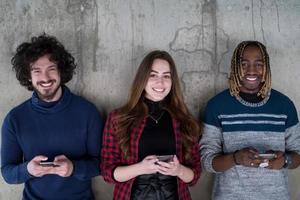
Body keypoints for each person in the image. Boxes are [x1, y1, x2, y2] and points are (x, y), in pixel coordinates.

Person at [1, 34, 103, 200]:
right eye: (37, 71)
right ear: (28, 75)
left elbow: (101, 164)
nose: (45, 78)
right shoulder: (14, 119)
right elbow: (7, 173)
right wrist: (28, 170)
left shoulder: (87, 112)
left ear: (61, 71)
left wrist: (73, 168)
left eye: (51, 69)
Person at [200, 41, 300, 200]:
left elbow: (297, 154)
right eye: (244, 64)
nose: (251, 70)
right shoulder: (217, 106)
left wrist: (285, 160)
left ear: (266, 67)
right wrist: (235, 158)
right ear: (234, 67)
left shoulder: (284, 106)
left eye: (258, 64)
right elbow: (206, 161)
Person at [101, 50, 201, 200]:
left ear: (172, 81)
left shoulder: (185, 120)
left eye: (166, 76)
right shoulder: (118, 118)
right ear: (142, 79)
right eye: (153, 75)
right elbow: (107, 173)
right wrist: (140, 168)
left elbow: (194, 175)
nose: (160, 82)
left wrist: (178, 170)